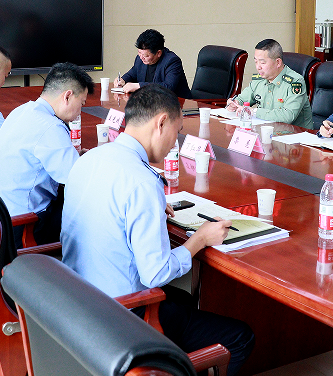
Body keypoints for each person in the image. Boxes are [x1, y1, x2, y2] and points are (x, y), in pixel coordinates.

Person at [62, 85, 255, 374]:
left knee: (182, 301)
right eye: (177, 133)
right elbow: (155, 274)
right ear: (161, 123)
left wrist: (149, 209)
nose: (174, 143)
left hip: (79, 298)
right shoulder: (142, 181)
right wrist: (200, 239)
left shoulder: (90, 158)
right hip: (122, 315)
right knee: (240, 337)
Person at [0, 62, 94, 246]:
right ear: (67, 96)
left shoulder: (22, 110)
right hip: (22, 227)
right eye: (81, 104)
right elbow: (78, 180)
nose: (79, 112)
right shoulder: (51, 127)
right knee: (91, 211)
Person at [226, 38, 313, 128]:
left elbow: (288, 116)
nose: (258, 67)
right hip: (267, 131)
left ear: (278, 62)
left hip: (294, 134)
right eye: (256, 62)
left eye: (262, 62)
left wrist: (254, 112)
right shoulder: (259, 79)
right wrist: (235, 103)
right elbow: (242, 100)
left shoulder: (295, 82)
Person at [114, 29, 192, 98]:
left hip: (176, 105)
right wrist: (122, 80)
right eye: (139, 53)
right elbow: (132, 74)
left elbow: (168, 87)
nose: (141, 57)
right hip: (151, 103)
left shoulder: (172, 61)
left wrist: (138, 86)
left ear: (158, 53)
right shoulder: (140, 59)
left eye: (146, 55)